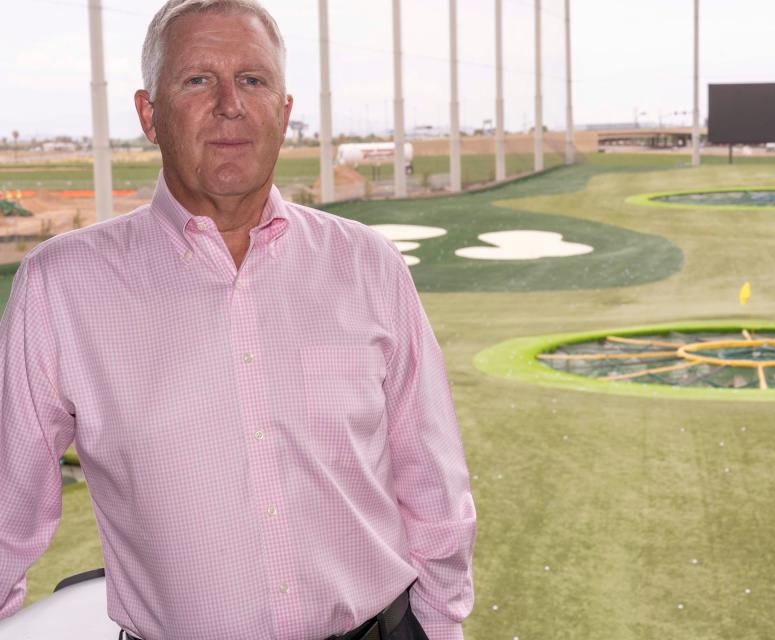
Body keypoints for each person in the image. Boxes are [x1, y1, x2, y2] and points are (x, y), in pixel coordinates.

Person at [0, 1, 476, 638]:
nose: (230, 103)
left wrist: (441, 629)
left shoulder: (367, 264)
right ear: (148, 114)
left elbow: (433, 482)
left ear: (283, 112)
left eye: (253, 80)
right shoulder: (62, 287)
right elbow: (9, 514)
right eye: (198, 80)